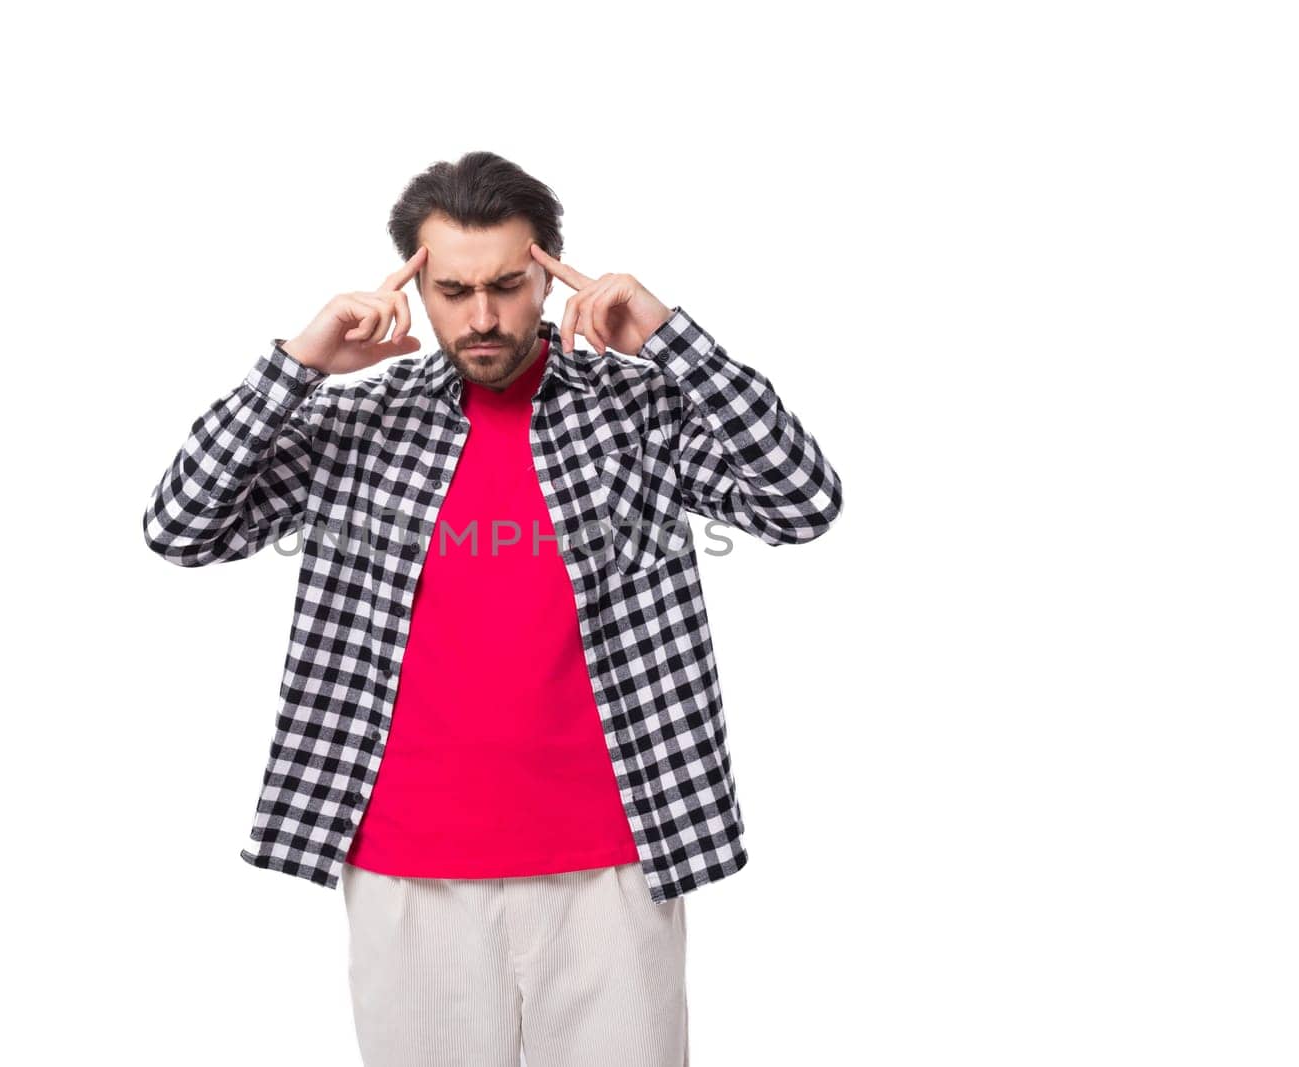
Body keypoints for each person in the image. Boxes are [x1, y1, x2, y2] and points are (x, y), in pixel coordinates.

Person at [142, 150, 843, 1066]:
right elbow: (181, 526)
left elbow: (802, 502)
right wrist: (301, 364)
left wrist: (673, 341)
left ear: (550, 272)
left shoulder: (639, 412)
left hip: (614, 860)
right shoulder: (362, 420)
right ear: (415, 286)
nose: (481, 316)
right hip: (406, 868)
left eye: (509, 286)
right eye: (453, 289)